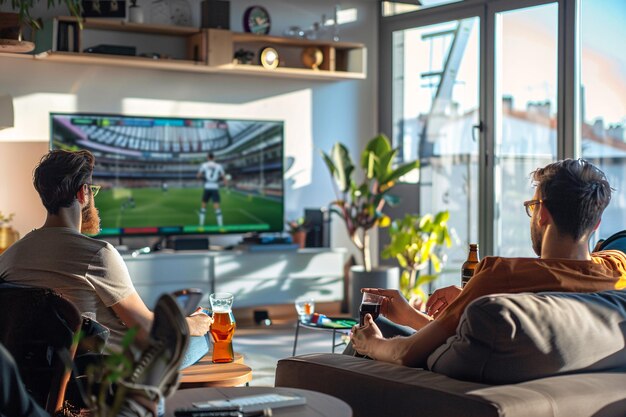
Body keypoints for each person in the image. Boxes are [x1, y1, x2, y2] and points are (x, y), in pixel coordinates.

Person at [350, 158, 626, 367]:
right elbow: (491, 339)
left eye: (532, 206)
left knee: (374, 333)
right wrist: (421, 314)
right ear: (596, 223)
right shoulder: (617, 269)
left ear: (542, 213)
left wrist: (370, 344)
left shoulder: (501, 275)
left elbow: (405, 352)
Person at [0, 150, 212, 365]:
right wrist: (193, 324)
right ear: (83, 193)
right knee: (203, 332)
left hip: (48, 374)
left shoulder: (9, 257)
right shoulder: (98, 254)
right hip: (111, 372)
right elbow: (147, 331)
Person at [0, 293, 189, 417]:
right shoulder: (100, 253)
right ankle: (138, 401)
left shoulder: (13, 256)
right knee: (197, 343)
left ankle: (138, 400)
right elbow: (146, 328)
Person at [196, 152, 228, 227]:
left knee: (203, 206)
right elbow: (224, 177)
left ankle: (201, 225)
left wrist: (201, 176)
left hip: (207, 186)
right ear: (214, 158)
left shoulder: (204, 165)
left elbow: (198, 175)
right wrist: (226, 184)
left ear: (208, 157)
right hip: (215, 186)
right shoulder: (219, 166)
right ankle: (220, 226)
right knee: (217, 207)